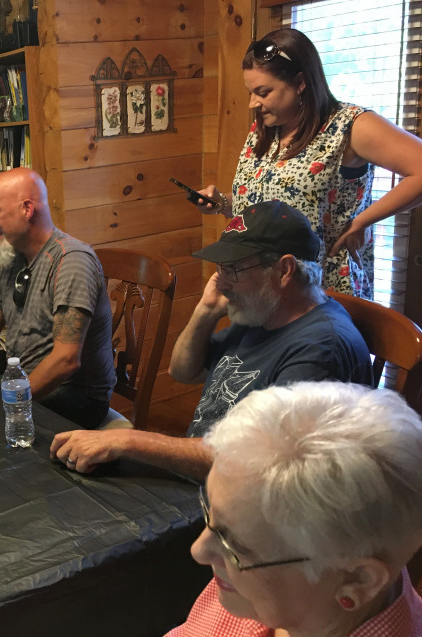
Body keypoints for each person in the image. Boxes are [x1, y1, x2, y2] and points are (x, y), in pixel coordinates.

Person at [50, 201, 372, 479]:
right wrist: (204, 312)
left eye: (231, 269)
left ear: (284, 270)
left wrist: (127, 442)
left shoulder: (321, 347)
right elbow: (183, 371)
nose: (221, 282)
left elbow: (254, 462)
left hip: (243, 505)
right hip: (204, 476)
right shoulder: (263, 311)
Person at [166, 381, 422, 636]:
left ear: (358, 579)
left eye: (238, 546)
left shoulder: (254, 583)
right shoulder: (255, 572)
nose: (198, 551)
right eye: (210, 510)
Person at [195, 28, 422, 299]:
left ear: (300, 82)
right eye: (250, 92)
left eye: (263, 92)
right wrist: (222, 202)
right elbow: (274, 204)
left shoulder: (348, 125)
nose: (252, 103)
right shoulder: (264, 130)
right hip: (262, 292)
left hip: (322, 295)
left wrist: (361, 221)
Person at [0, 168, 116, 428]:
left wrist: (6, 401)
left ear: (27, 209)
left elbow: (66, 360)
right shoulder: (9, 254)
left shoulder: (72, 261)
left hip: (75, 397)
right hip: (24, 382)